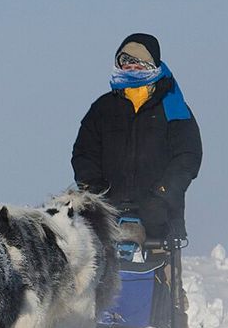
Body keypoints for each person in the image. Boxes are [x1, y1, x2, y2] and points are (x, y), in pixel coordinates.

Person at [71, 33, 202, 241]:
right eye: (126, 65)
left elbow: (188, 156)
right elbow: (84, 154)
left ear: (152, 67)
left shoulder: (174, 108)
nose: (132, 70)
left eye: (139, 65)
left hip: (160, 219)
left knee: (159, 261)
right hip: (107, 218)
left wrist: (163, 194)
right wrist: (96, 192)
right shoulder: (102, 108)